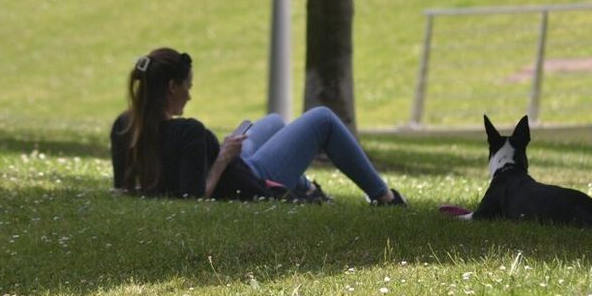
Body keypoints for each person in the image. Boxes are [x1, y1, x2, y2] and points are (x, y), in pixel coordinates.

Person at [110, 47, 406, 205]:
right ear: (172, 87)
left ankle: (305, 189)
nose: (190, 94)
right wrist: (223, 157)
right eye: (188, 86)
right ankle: (385, 197)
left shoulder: (125, 127)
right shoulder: (188, 132)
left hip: (235, 164)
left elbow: (125, 189)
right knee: (323, 119)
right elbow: (194, 199)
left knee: (274, 122)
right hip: (245, 178)